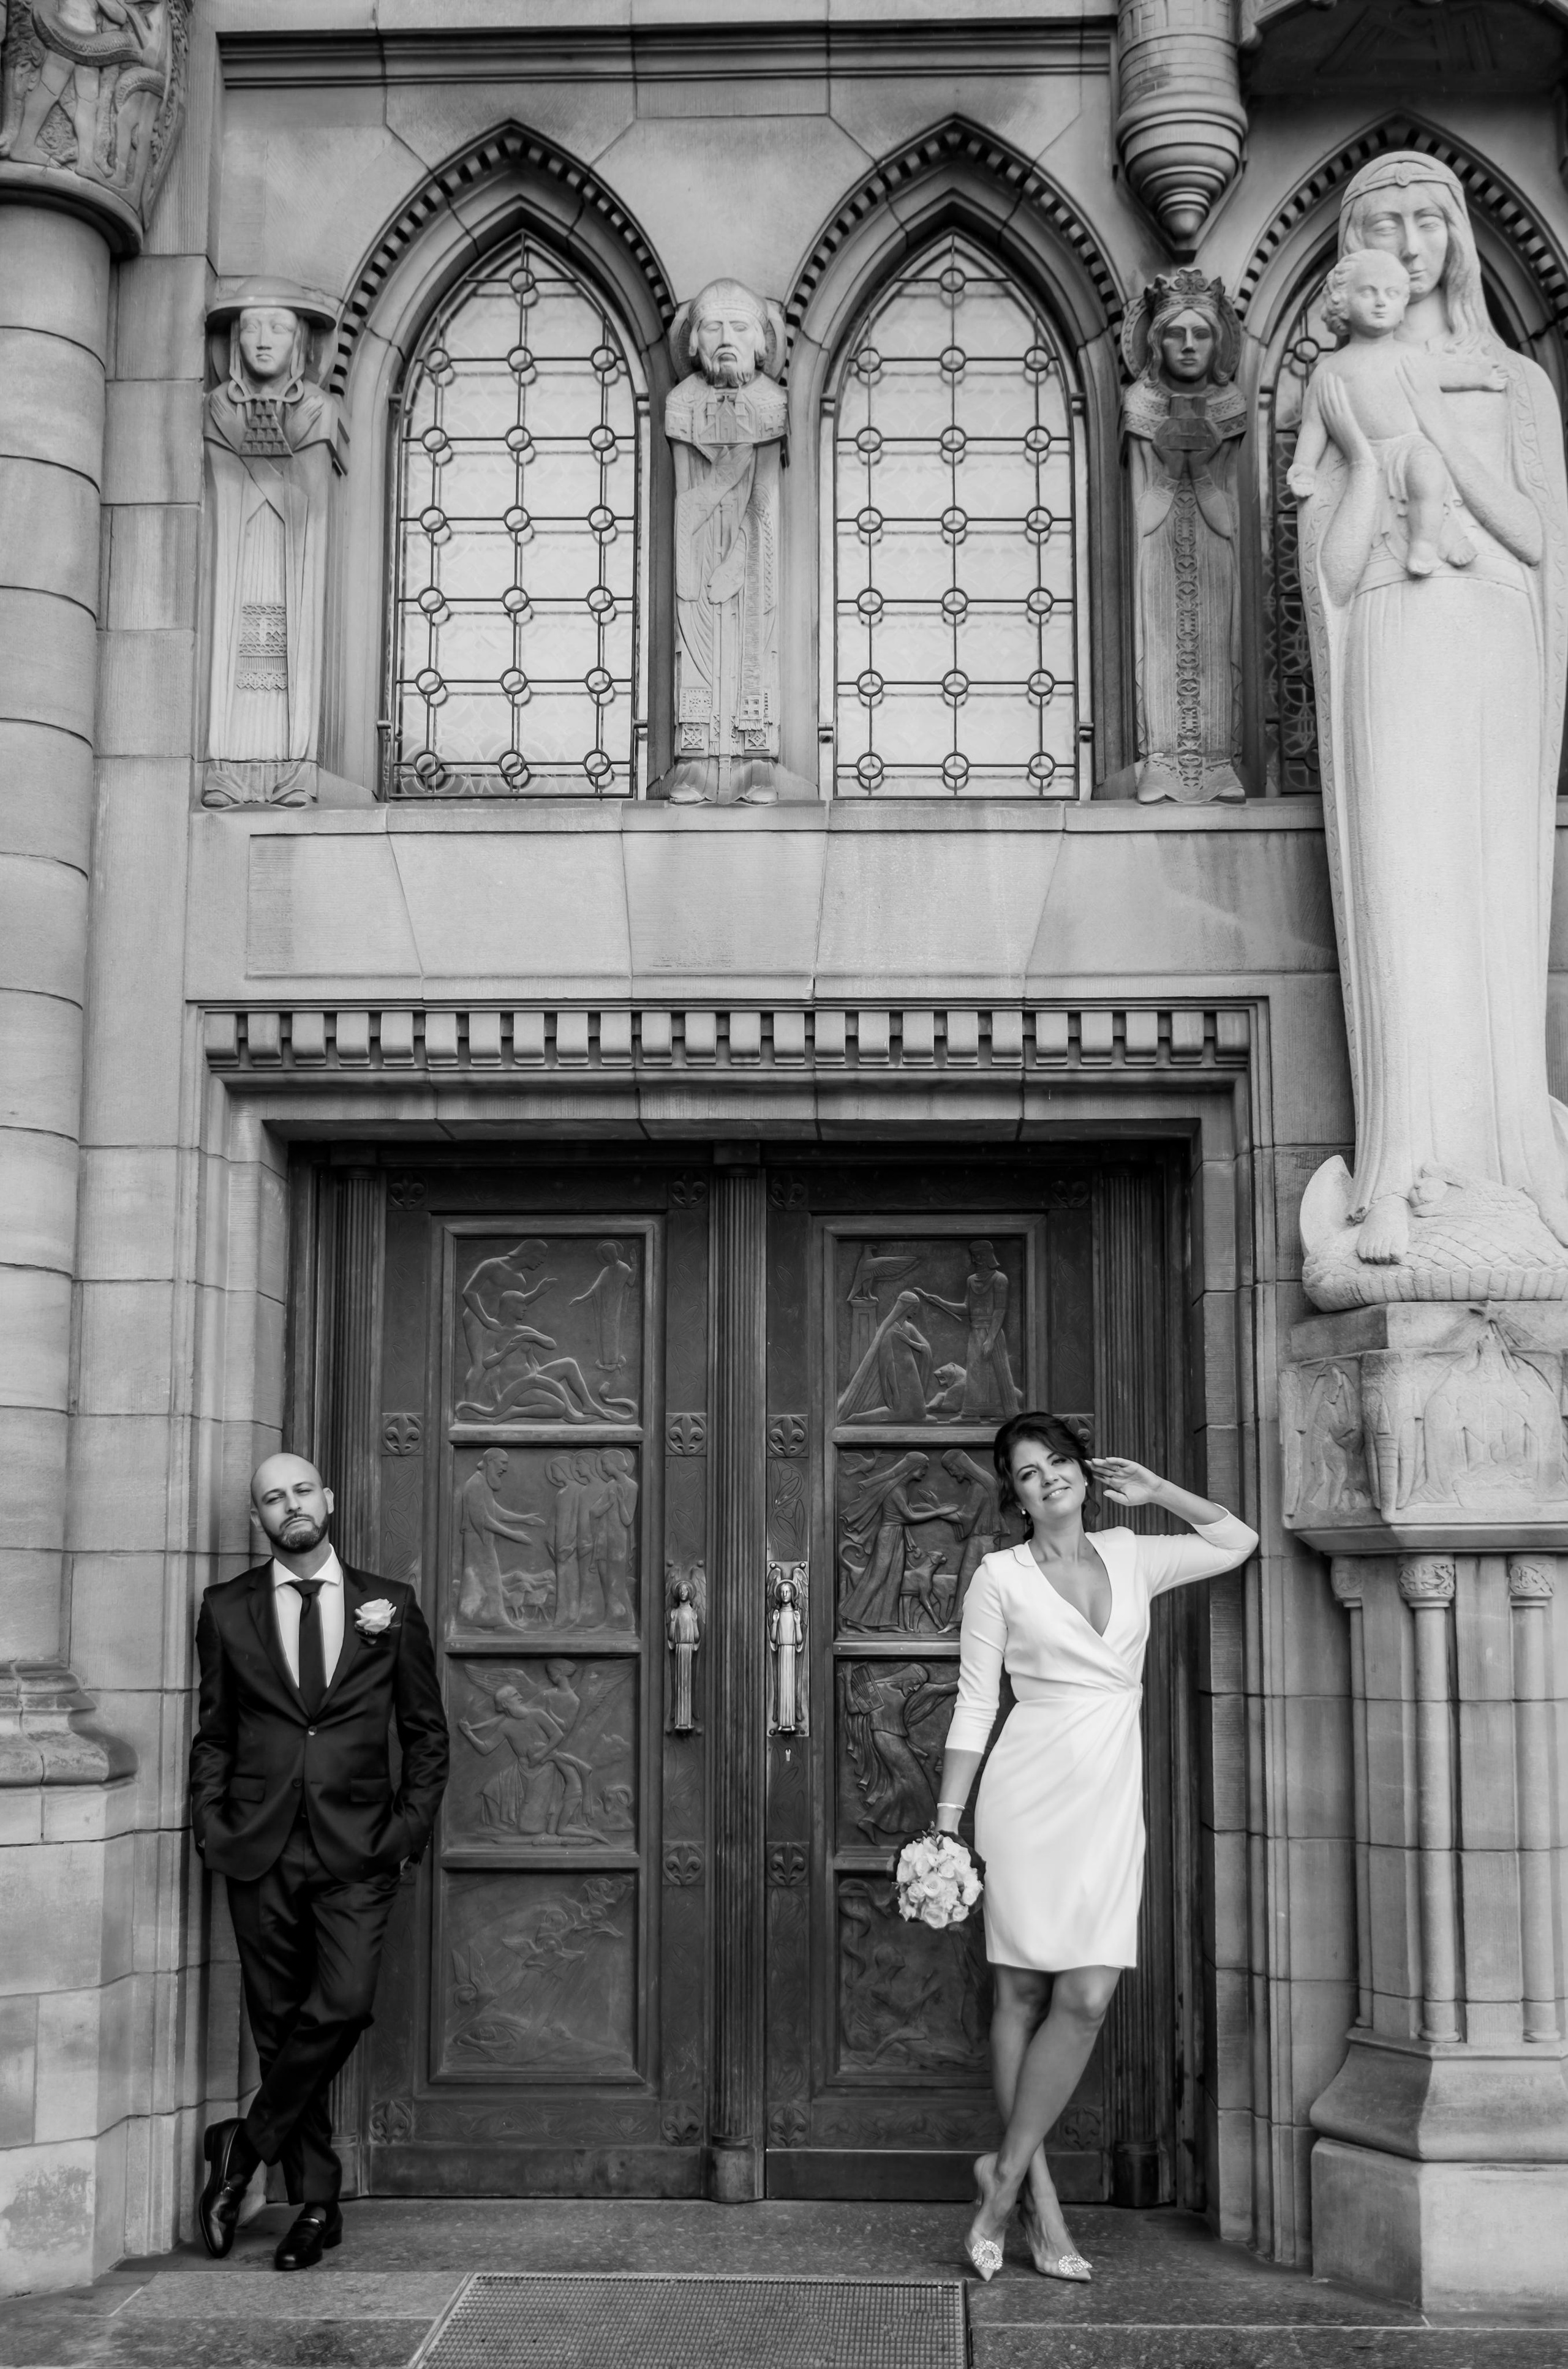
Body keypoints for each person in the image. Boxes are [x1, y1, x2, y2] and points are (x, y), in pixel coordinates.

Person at [932, 1413, 1255, 2283]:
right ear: (1017, 1495)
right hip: (1025, 1795)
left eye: (1059, 1463)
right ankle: (1033, 2204)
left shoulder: (1134, 1552)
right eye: (1027, 1474)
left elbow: (1237, 1539)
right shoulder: (998, 1577)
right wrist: (948, 1823)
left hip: (1109, 1798)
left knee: (1086, 1997)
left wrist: (1157, 1493)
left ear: (1083, 1470)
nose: (1048, 1480)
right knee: (1021, 1988)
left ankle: (997, 2175)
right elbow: (973, 1705)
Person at [189, 1455, 448, 2270]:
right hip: (259, 1844)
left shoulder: (391, 1607)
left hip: (358, 1847)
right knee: (276, 2025)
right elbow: (216, 1733)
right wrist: (211, 1826)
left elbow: (426, 1735)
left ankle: (241, 2147)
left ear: (328, 1499)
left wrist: (403, 1834)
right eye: (273, 1498)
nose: (290, 1506)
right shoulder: (226, 1610)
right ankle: (316, 2204)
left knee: (341, 2002)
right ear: (258, 1518)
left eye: (302, 1491)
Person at [1288, 250, 1504, 577]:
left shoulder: (1409, 355)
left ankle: (1427, 542)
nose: (1380, 302)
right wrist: (1304, 466)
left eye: (1391, 294)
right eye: (1367, 292)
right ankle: (1432, 535)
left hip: (1410, 446)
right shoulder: (1330, 370)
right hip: (1368, 453)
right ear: (1341, 301)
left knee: (1429, 474)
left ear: (1404, 303)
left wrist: (1481, 376)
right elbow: (1316, 425)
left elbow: (1446, 373)